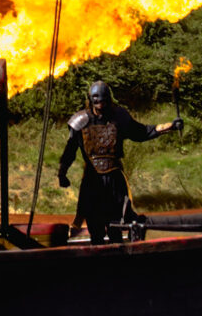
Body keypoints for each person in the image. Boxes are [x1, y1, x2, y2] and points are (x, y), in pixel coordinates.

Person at [57, 80, 179, 243]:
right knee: (96, 228)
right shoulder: (80, 121)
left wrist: (170, 126)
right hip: (93, 180)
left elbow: (141, 132)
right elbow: (70, 150)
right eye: (97, 101)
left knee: (117, 225)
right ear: (91, 100)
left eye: (104, 101)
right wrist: (62, 172)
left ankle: (119, 260)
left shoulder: (119, 116)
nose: (101, 105)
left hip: (115, 180)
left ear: (109, 99)